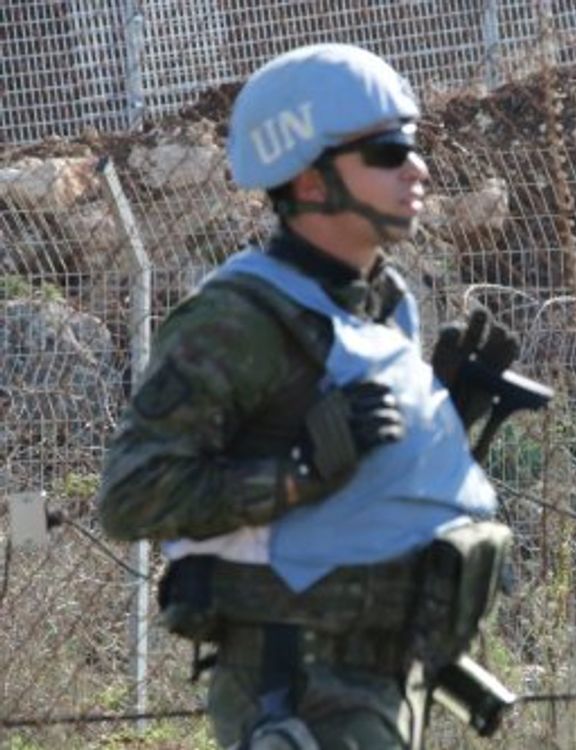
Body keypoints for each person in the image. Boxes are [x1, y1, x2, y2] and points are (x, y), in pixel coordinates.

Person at [98, 43, 524, 750]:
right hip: (299, 690)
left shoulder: (384, 305)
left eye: (412, 145)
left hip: (387, 681)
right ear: (309, 177)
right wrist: (296, 472)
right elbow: (133, 495)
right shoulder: (239, 319)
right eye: (387, 151)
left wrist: (440, 419)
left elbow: (356, 472)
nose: (416, 168)